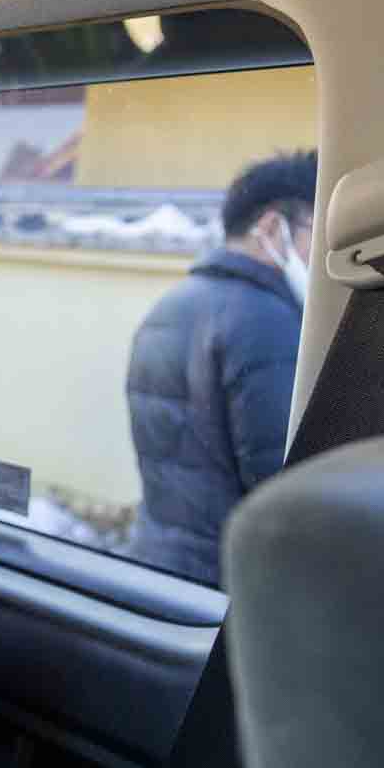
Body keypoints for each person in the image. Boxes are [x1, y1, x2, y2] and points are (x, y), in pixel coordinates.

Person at [125, 151, 317, 585]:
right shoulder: (265, 320)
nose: (322, 252)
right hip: (225, 581)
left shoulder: (169, 305)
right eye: (316, 230)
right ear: (271, 227)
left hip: (155, 561)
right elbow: (278, 484)